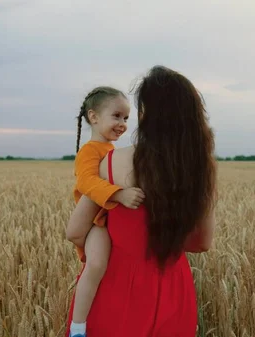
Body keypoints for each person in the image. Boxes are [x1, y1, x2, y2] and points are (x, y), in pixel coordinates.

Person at [65, 65, 217, 337]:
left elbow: (75, 231)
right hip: (172, 291)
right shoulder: (199, 169)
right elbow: (202, 243)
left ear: (145, 113)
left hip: (116, 289)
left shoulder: (110, 162)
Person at [65, 86, 146, 337]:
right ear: (94, 117)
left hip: (110, 219)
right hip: (96, 223)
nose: (122, 123)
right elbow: (86, 183)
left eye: (126, 118)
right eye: (117, 116)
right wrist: (119, 194)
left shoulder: (112, 151)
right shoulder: (90, 151)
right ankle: (78, 327)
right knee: (97, 265)